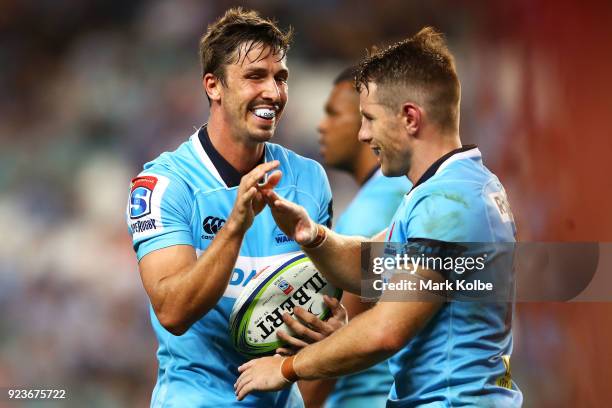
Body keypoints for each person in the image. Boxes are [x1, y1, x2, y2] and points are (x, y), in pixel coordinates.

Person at [235, 27, 523, 407]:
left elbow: (387, 330)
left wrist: (288, 368)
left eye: (369, 118)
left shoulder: (450, 204)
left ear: (409, 117)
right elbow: (368, 265)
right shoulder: (450, 189)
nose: (362, 134)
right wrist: (312, 235)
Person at [126, 8, 344, 407]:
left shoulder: (310, 180)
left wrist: (336, 326)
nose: (273, 93)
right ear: (214, 86)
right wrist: (235, 227)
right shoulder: (163, 185)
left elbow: (328, 297)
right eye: (255, 76)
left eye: (281, 78)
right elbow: (173, 311)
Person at [298, 67, 411, 408]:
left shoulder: (376, 207)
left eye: (333, 113)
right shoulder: (393, 194)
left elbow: (333, 335)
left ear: (367, 121)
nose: (322, 125)